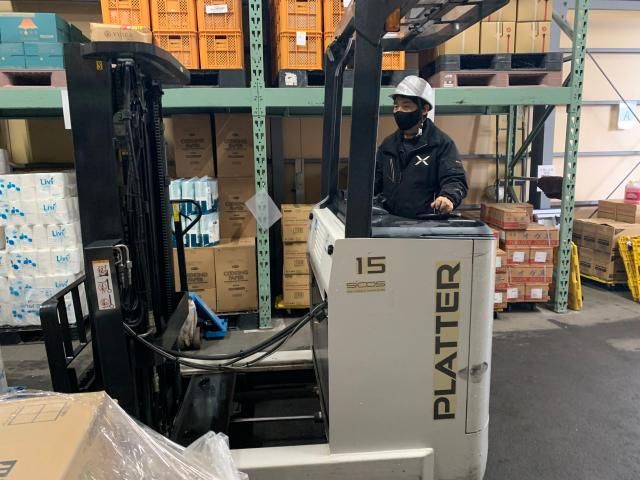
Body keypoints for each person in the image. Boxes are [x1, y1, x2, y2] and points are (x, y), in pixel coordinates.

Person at [374, 76, 468, 218]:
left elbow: (455, 179)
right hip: (391, 221)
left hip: (425, 223)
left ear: (424, 109)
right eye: (396, 106)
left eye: (406, 106)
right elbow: (375, 181)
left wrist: (448, 197)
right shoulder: (388, 145)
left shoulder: (440, 144)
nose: (399, 111)